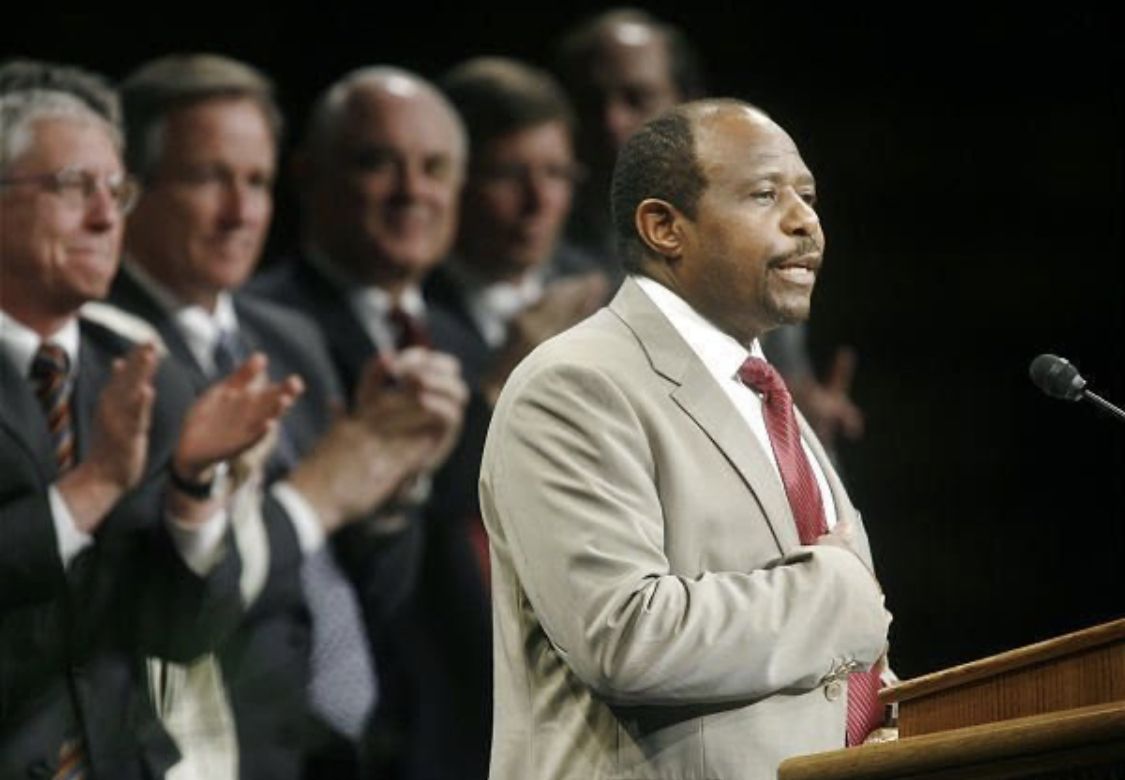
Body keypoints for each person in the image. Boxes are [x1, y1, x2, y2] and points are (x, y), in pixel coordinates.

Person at [479, 99, 892, 778]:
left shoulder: (763, 391)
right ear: (664, 227)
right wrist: (838, 593)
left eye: (808, 196)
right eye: (764, 195)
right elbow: (625, 635)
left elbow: (834, 658)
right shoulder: (576, 385)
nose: (804, 222)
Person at [111, 54, 465, 779]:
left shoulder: (285, 337)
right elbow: (163, 608)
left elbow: (368, 589)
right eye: (209, 179)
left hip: (346, 750)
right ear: (128, 189)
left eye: (256, 183)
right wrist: (317, 495)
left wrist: (391, 491)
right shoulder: (105, 355)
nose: (241, 213)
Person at [0, 67, 298, 779]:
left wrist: (193, 489)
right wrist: (97, 483)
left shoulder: (146, 372)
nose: (106, 219)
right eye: (74, 188)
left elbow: (180, 634)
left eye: (117, 191)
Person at [250, 65, 480, 779]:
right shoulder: (261, 334)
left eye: (434, 167)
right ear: (308, 177)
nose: (413, 192)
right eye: (378, 163)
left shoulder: (459, 336)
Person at [555, 8, 864, 454]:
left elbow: (787, 397)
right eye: (590, 103)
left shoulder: (754, 239)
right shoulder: (532, 248)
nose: (611, 123)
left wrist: (803, 421)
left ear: (686, 105)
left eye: (636, 98)